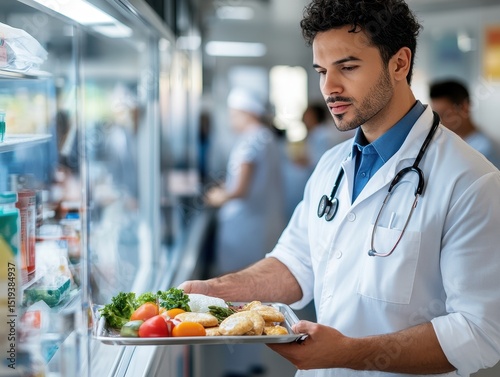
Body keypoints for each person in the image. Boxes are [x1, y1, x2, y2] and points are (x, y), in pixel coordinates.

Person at [181, 1, 500, 376]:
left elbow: (481, 333)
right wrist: (214, 291)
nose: (329, 88)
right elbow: (296, 264)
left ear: (399, 63)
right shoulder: (333, 166)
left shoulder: (471, 180)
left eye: (347, 67)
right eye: (321, 71)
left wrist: (348, 354)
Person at [205, 87, 286, 276]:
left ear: (247, 113)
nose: (230, 120)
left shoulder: (250, 141)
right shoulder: (267, 137)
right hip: (263, 222)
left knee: (238, 281)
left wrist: (218, 197)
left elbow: (241, 188)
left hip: (244, 225)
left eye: (233, 114)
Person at [429, 79, 500, 168]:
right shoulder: (446, 144)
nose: (440, 122)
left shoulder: (486, 150)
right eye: (436, 115)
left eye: (445, 114)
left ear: (464, 108)